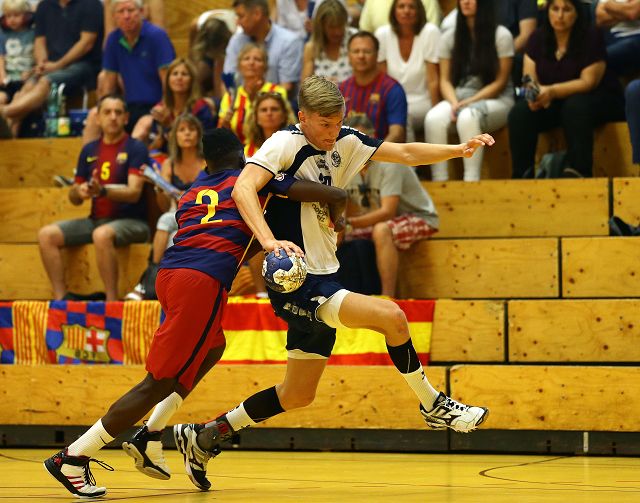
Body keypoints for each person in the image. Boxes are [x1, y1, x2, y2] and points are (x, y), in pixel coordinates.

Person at [172, 75, 493, 490]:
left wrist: (457, 149)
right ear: (302, 117)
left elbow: (405, 152)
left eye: (337, 122)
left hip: (327, 273)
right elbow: (243, 189)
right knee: (392, 317)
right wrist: (269, 243)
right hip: (297, 279)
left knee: (297, 394)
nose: (331, 132)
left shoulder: (345, 140)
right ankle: (433, 404)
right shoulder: (283, 144)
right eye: (324, 124)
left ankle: (204, 435)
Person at [43, 126, 349, 498]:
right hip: (201, 282)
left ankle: (151, 434)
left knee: (212, 347)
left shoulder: (193, 190)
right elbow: (329, 192)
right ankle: (74, 457)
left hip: (170, 275)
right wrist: (339, 208)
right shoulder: (251, 177)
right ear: (242, 155)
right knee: (158, 381)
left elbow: (229, 233)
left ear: (206, 162)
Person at [37, 94, 150, 302]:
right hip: (96, 220)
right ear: (97, 118)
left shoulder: (135, 148)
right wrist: (79, 192)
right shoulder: (89, 150)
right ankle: (61, 299)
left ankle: (111, 301)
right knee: (46, 235)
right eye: (107, 112)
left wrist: (102, 191)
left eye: (118, 112)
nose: (113, 117)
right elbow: (74, 197)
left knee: (101, 235)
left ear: (126, 118)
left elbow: (134, 194)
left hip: (134, 222)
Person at [508, 0, 625, 178]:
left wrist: (552, 91)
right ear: (548, 11)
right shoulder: (537, 37)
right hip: (553, 101)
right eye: (555, 9)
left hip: (595, 98)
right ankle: (522, 175)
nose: (560, 15)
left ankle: (579, 171)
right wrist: (533, 96)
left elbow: (588, 82)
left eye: (567, 10)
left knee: (575, 106)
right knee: (520, 112)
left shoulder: (591, 36)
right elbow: (528, 78)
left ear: (577, 13)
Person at [342, 114, 438, 297]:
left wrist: (349, 224)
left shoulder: (390, 162)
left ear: (372, 138)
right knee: (338, 236)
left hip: (420, 217)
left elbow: (388, 212)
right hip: (378, 221)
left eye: (362, 139)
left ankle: (388, 296)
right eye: (351, 141)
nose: (357, 146)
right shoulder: (345, 166)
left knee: (381, 230)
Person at [424, 0, 515, 181]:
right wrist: (454, 102)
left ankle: (471, 180)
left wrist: (469, 102)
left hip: (497, 98)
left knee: (468, 117)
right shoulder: (449, 36)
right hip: (459, 97)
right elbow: (444, 80)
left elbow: (500, 82)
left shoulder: (501, 35)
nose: (466, 1)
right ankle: (439, 181)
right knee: (433, 118)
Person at [126, 113, 206, 301]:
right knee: (170, 236)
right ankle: (167, 289)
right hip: (177, 216)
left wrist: (189, 197)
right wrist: (159, 189)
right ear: (174, 136)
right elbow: (163, 206)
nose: (187, 134)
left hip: (203, 215)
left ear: (199, 134)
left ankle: (148, 282)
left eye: (191, 129)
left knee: (165, 222)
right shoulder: (169, 163)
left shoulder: (207, 161)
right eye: (182, 130)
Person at [0, 0, 103, 137]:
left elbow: (86, 43)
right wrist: (41, 62)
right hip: (51, 66)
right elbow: (39, 41)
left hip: (83, 65)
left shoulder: (91, 4)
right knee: (26, 88)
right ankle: (8, 143)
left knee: (45, 81)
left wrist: (58, 65)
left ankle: (4, 112)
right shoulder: (45, 6)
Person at [82, 0, 175, 144]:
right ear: (114, 17)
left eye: (130, 10)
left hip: (155, 106)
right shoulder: (113, 40)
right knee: (94, 115)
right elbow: (108, 84)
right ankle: (88, 159)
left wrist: (164, 107)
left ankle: (128, 156)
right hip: (128, 107)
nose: (126, 16)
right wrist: (104, 110)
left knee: (142, 126)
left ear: (141, 12)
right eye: (121, 12)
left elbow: (168, 82)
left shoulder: (157, 36)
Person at [243, 91, 296, 296]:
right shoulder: (245, 151)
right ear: (256, 117)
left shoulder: (294, 144)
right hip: (260, 206)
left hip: (291, 204)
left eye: (274, 109)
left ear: (284, 115)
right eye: (264, 110)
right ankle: (261, 293)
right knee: (255, 226)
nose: (269, 113)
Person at [375, 0, 441, 142]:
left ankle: (411, 158)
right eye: (401, 6)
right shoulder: (382, 34)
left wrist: (436, 112)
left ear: (419, 11)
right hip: (393, 101)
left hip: (423, 101)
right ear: (394, 11)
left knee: (405, 115)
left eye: (411, 7)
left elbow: (433, 79)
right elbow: (382, 80)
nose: (406, 11)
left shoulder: (430, 32)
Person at [132, 57, 217, 153]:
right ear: (168, 80)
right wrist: (156, 142)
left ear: (192, 80)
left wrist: (168, 125)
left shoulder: (200, 108)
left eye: (184, 74)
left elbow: (206, 144)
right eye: (175, 74)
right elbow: (155, 146)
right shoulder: (161, 109)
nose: (179, 78)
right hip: (165, 157)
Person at [339, 30, 408, 142]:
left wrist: (375, 152)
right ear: (348, 56)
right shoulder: (341, 89)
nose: (361, 56)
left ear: (377, 55)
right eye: (356, 51)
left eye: (367, 51)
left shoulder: (392, 89)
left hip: (382, 150)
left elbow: (397, 133)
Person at [224, 0, 303, 95]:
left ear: (257, 14)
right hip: (240, 99)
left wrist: (259, 102)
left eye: (241, 16)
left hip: (275, 101)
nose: (237, 23)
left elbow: (286, 88)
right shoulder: (236, 41)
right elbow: (227, 81)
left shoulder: (289, 42)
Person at [218, 43, 287, 144]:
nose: (251, 63)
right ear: (239, 66)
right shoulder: (230, 97)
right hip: (239, 150)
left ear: (265, 67)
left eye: (257, 59)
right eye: (246, 59)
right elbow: (220, 132)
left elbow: (283, 125)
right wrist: (225, 123)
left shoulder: (277, 92)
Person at [301, 0, 356, 83]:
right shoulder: (311, 48)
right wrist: (322, 85)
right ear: (321, 26)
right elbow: (305, 86)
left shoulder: (355, 39)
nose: (337, 32)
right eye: (331, 27)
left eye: (340, 25)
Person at [0, 0, 35, 129]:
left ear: (26, 16)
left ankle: (11, 135)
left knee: (18, 102)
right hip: (8, 80)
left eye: (16, 15)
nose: (12, 20)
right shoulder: (3, 35)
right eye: (8, 16)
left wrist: (31, 72)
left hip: (25, 80)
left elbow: (39, 59)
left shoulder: (33, 34)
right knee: (1, 98)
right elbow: (1, 57)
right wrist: (2, 75)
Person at [189, 15, 232, 104]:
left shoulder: (235, 33)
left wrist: (217, 102)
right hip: (206, 48)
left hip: (223, 50)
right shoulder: (196, 26)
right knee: (198, 72)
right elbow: (192, 55)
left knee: (219, 63)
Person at [595, 0, 640, 76]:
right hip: (611, 35)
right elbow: (600, 19)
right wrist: (625, 12)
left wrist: (607, 4)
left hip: (635, 36)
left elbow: (632, 13)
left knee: (596, 60)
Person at [359, 0, 441, 32]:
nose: (406, 11)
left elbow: (432, 32)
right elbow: (365, 33)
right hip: (380, 57)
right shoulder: (372, 1)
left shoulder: (429, 1)